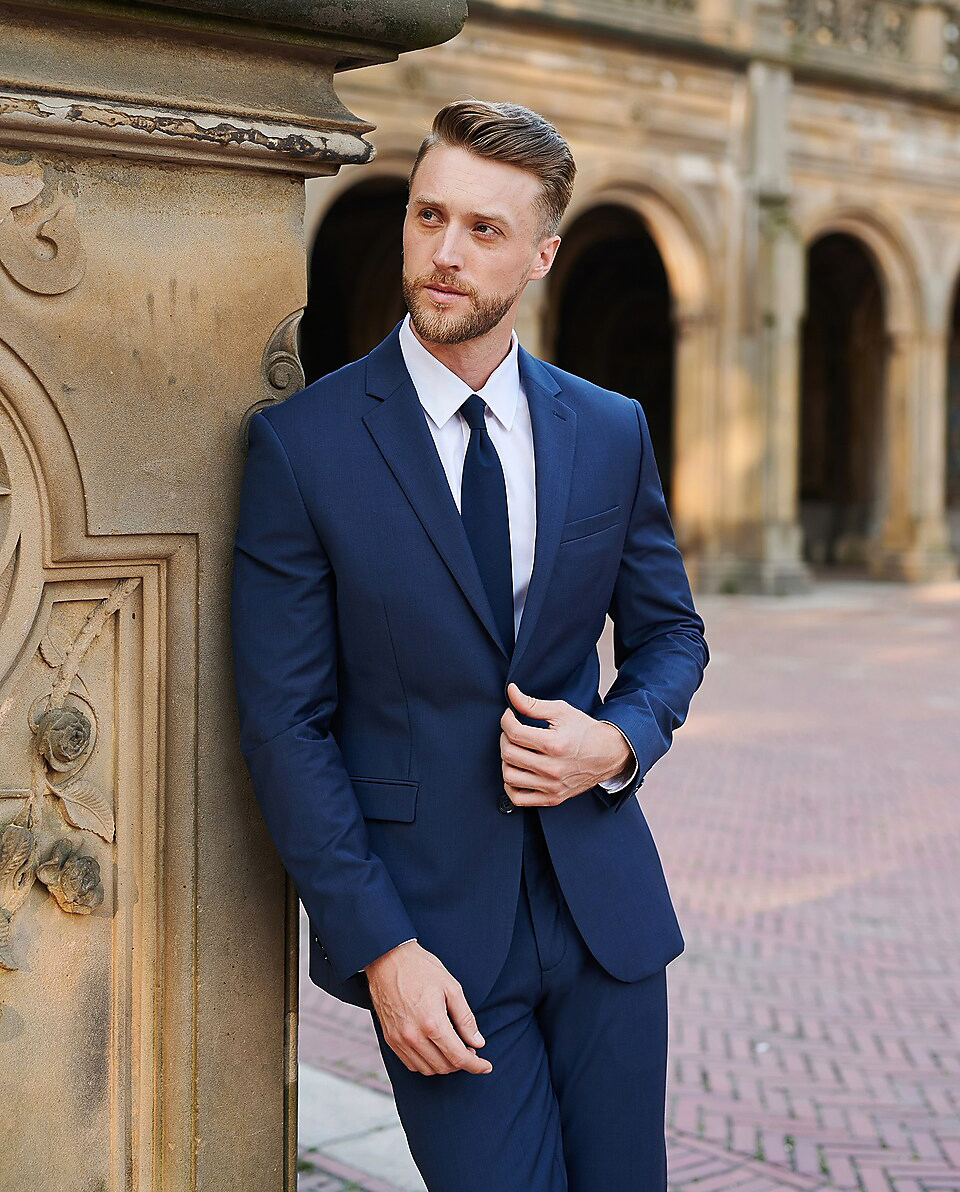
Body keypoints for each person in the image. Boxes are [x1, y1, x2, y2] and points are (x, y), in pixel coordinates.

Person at [231, 98, 708, 1192]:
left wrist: (619, 742)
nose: (444, 255)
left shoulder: (609, 426)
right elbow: (284, 725)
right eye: (427, 215)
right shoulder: (301, 451)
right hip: (436, 941)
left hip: (606, 923)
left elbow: (671, 633)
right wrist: (381, 952)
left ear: (542, 254)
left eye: (484, 230)